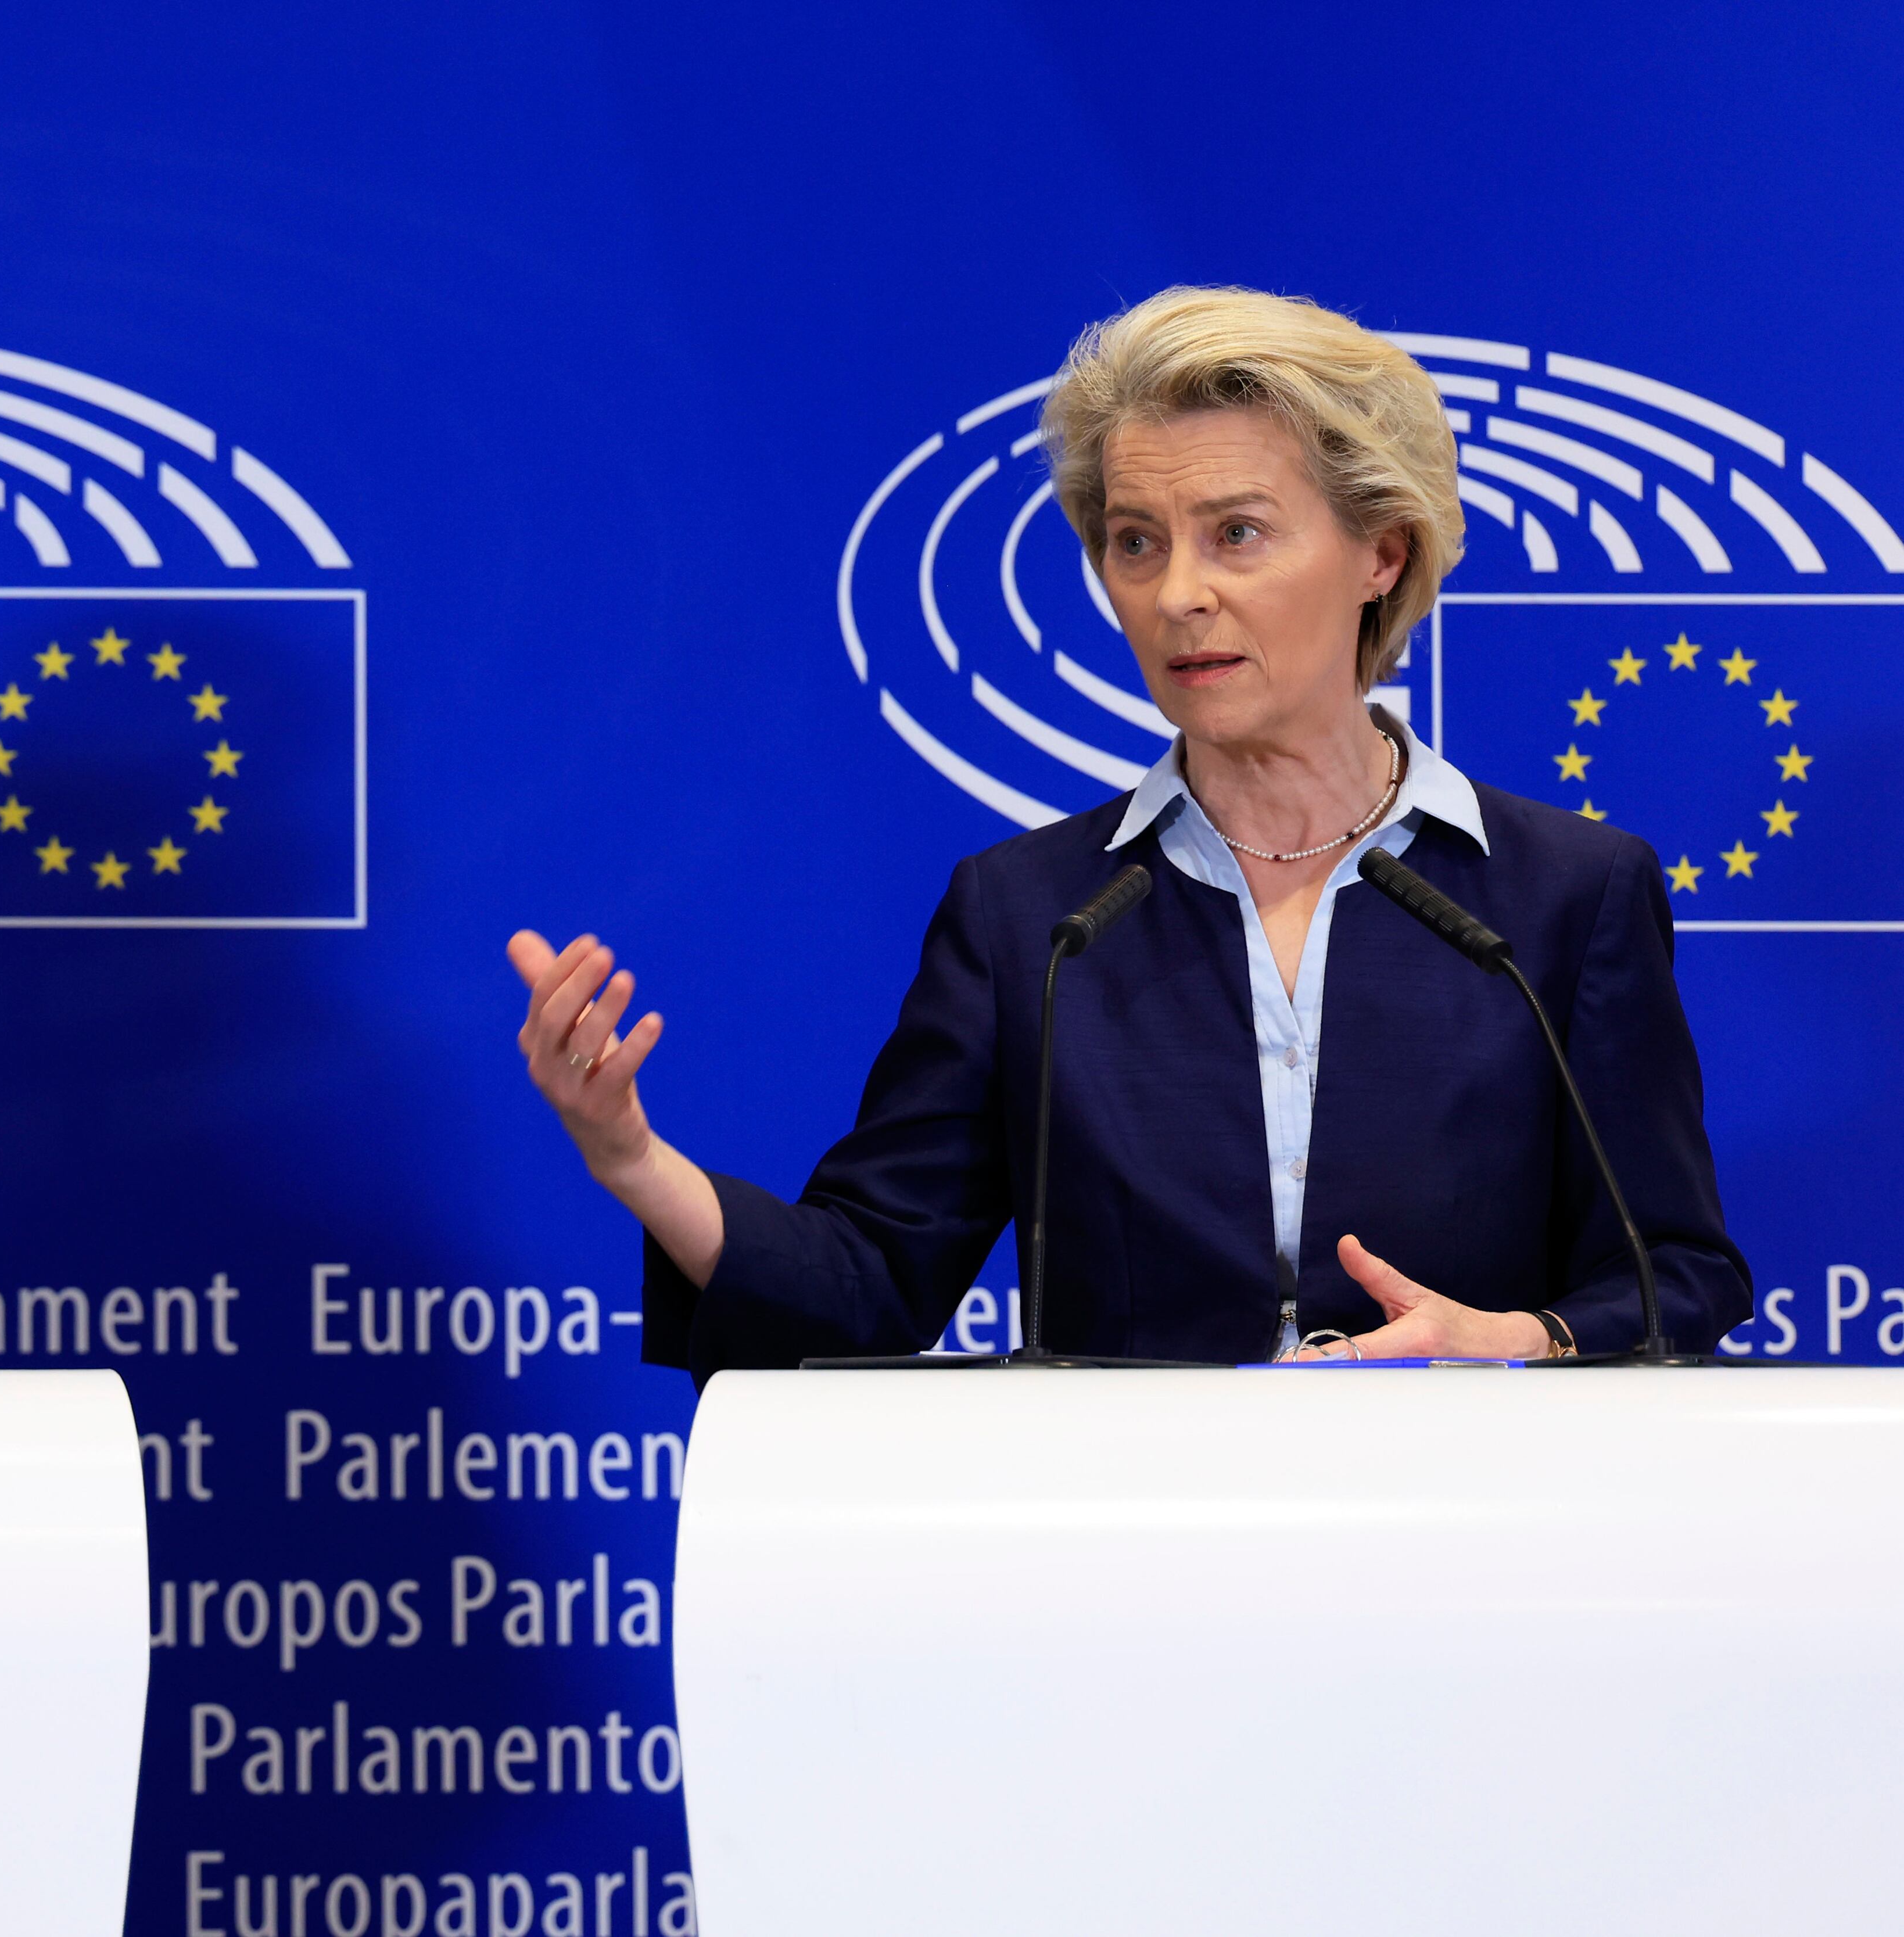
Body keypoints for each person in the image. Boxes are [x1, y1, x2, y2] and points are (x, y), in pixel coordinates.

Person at [511, 286, 1751, 1377]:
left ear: (1380, 550)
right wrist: (631, 1157)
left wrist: (1507, 1338)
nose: (1175, 594)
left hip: (1466, 1556)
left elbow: (1672, 1275)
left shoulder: (1563, 895)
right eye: (1134, 542)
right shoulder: (1030, 917)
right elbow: (869, 1279)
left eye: (1237, 533)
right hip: (1125, 1577)